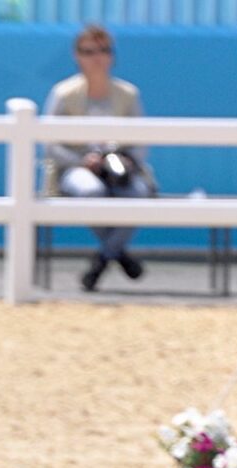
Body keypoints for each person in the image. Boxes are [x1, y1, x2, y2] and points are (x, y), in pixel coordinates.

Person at [44, 24, 157, 292]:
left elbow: (141, 141)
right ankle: (117, 254)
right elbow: (49, 143)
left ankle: (104, 258)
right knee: (91, 192)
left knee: (137, 194)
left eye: (104, 50)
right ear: (77, 56)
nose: (97, 57)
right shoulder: (63, 94)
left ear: (112, 56)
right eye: (89, 51)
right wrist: (81, 161)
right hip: (76, 168)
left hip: (121, 166)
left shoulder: (129, 94)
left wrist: (129, 161)